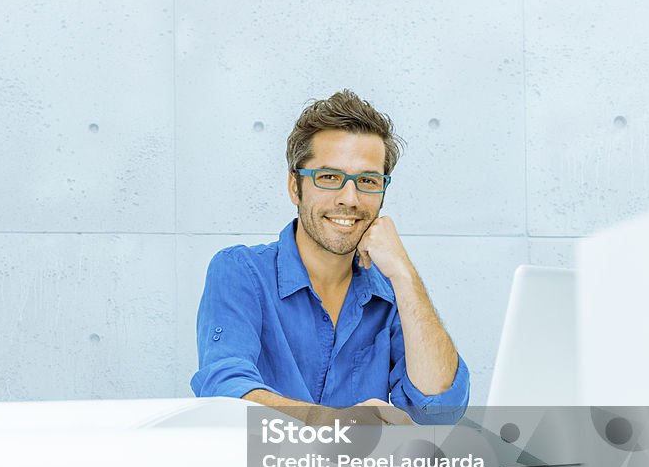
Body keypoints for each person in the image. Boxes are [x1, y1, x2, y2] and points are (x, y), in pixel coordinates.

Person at [191, 90, 469, 425]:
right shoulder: (241, 272)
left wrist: (403, 273)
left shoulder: (392, 293)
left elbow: (441, 410)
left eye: (367, 180)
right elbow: (224, 391)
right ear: (296, 186)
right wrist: (335, 422)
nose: (349, 198)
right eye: (329, 177)